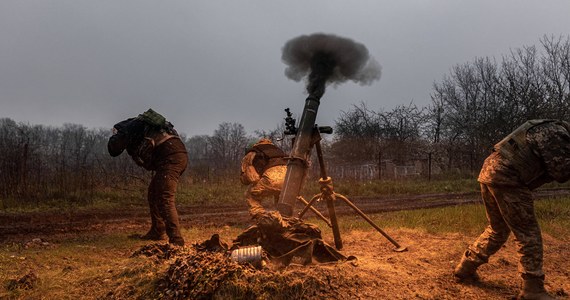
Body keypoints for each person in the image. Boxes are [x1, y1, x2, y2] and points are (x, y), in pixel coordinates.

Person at [453, 119, 570, 300]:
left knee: (497, 229)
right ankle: (533, 289)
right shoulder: (555, 134)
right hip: (507, 176)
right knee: (528, 233)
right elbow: (562, 171)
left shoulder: (546, 127)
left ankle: (465, 267)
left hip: (490, 171)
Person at [107, 109, 188, 246]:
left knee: (164, 198)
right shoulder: (145, 125)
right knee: (153, 193)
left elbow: (113, 149)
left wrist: (118, 136)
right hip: (176, 154)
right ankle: (157, 230)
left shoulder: (128, 128)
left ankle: (176, 240)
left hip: (170, 158)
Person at [240, 138, 288, 218]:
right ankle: (283, 217)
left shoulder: (253, 153)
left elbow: (251, 178)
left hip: (271, 180)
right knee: (281, 197)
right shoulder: (278, 150)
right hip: (289, 181)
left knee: (250, 194)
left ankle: (261, 218)